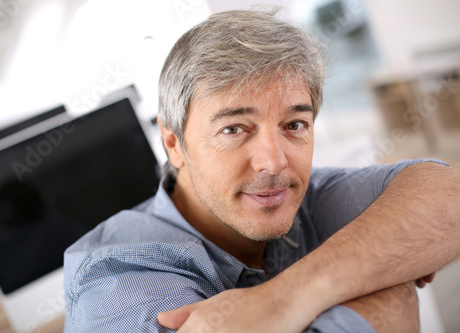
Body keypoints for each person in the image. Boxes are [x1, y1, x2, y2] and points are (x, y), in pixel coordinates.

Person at [63, 9, 460, 332]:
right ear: (174, 144)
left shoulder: (306, 196)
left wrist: (281, 299)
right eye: (234, 129)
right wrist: (393, 275)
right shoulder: (117, 283)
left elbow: (450, 195)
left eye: (294, 125)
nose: (274, 162)